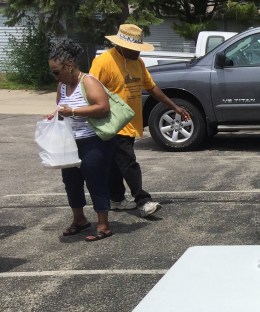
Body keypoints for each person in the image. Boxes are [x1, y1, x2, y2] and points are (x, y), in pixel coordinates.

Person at [90, 23, 191, 217]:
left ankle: (116, 199)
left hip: (130, 122)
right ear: (121, 46)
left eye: (139, 48)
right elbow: (89, 89)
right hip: (112, 123)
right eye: (134, 48)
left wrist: (174, 107)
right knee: (128, 162)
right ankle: (143, 200)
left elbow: (152, 87)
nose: (138, 52)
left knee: (116, 164)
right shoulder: (103, 62)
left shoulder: (138, 63)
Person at [47, 39, 114, 242]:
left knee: (95, 180)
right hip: (71, 142)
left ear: (69, 65)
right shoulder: (62, 85)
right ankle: (80, 220)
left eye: (56, 72)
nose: (55, 76)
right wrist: (54, 115)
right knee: (71, 181)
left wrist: (74, 111)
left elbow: (103, 107)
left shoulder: (88, 82)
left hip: (92, 141)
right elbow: (61, 108)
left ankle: (103, 224)